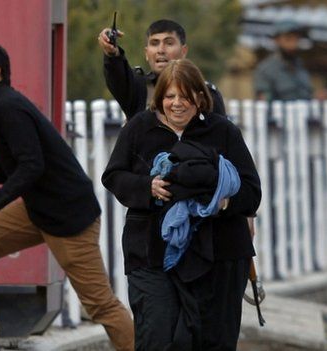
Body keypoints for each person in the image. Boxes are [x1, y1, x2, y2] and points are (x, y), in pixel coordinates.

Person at [0, 41, 134, 351]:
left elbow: (31, 167)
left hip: (69, 216)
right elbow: (3, 169)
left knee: (100, 306)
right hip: (39, 209)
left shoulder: (8, 107)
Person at [101, 58, 261, 350]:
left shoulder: (223, 132)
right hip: (152, 252)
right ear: (159, 98)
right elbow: (113, 176)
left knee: (211, 340)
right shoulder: (140, 128)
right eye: (170, 96)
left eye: (186, 96)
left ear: (200, 98)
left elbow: (252, 192)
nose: (177, 104)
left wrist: (219, 202)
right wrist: (147, 187)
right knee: (157, 335)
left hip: (218, 255)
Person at [98, 18, 225, 119]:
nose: (161, 50)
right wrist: (112, 53)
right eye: (154, 43)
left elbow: (222, 140)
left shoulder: (204, 92)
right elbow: (117, 76)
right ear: (146, 53)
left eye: (169, 43)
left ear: (184, 51)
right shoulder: (139, 89)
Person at [253, 20, 313, 101]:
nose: (293, 44)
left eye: (296, 39)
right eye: (288, 38)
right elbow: (263, 101)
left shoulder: (300, 66)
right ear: (276, 40)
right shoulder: (266, 70)